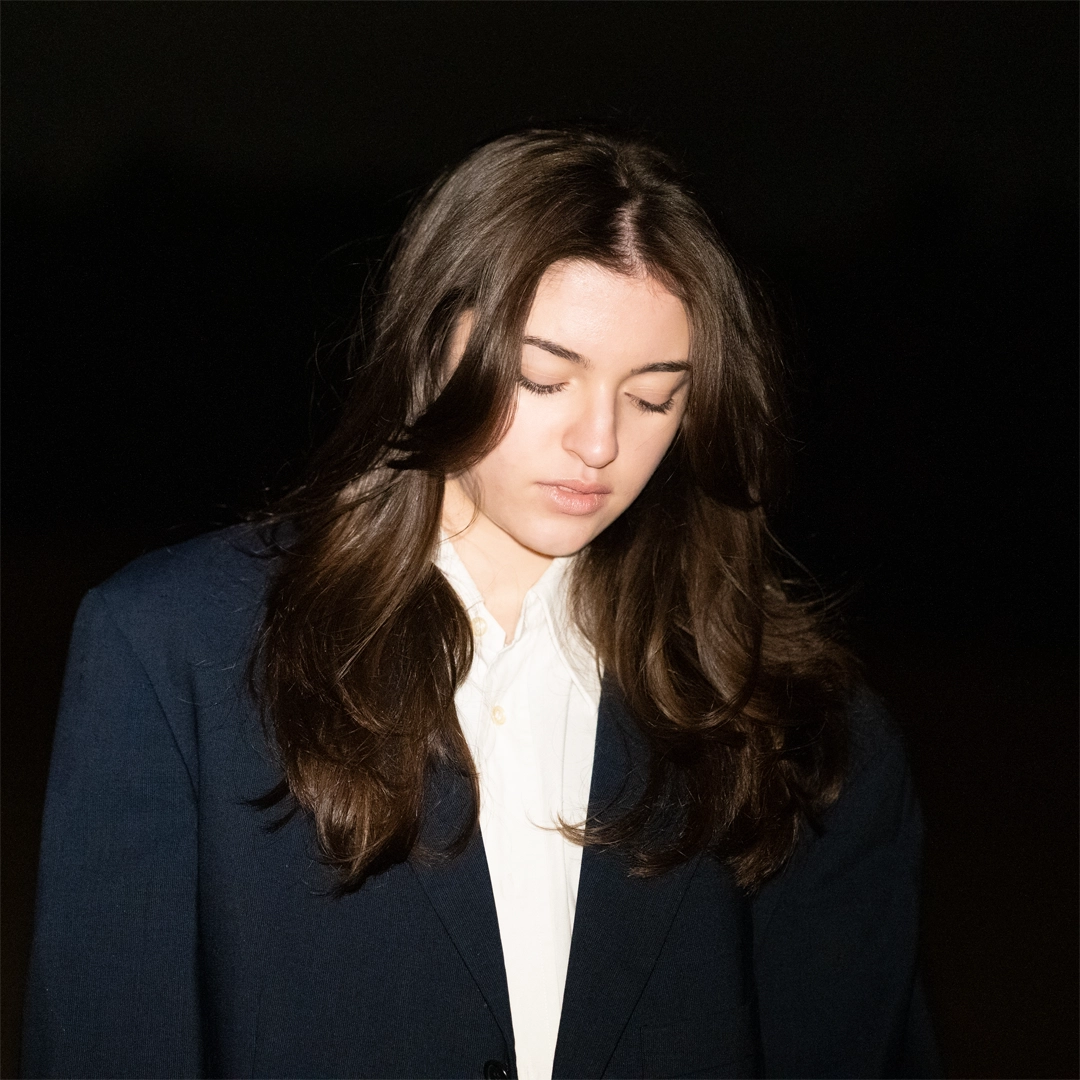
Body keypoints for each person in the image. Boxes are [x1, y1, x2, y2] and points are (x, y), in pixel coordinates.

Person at [23, 127, 941, 1079]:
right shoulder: (174, 649)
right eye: (546, 378)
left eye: (653, 398)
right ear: (430, 347)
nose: (599, 442)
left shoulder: (796, 718)